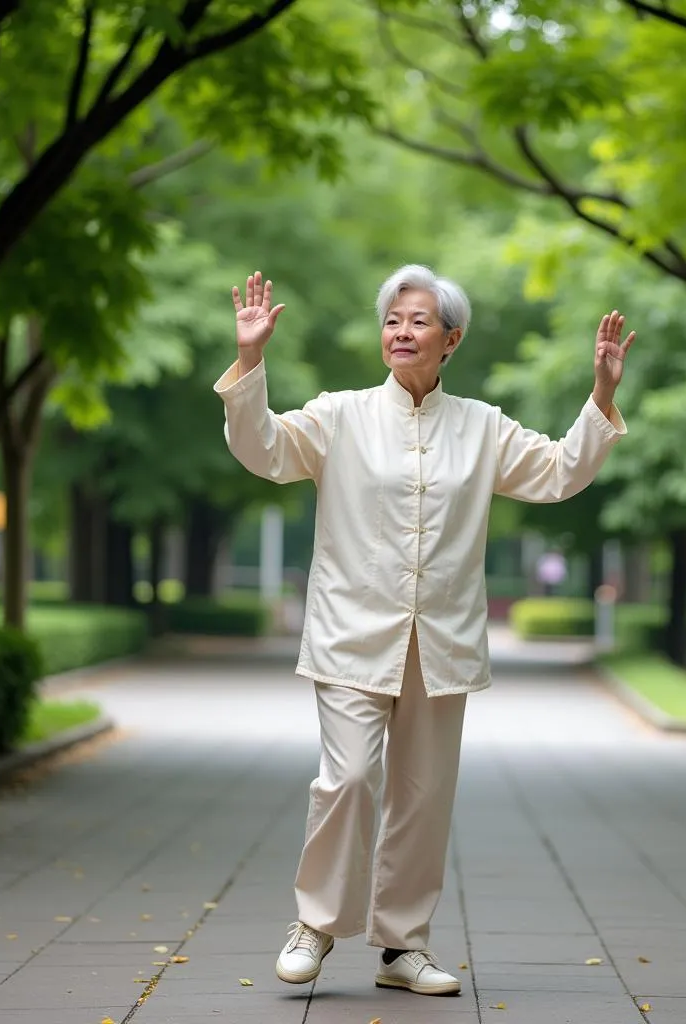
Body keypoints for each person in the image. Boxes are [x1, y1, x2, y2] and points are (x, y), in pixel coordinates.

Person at [213, 265, 633, 997]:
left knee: (423, 793)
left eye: (418, 321)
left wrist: (600, 396)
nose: (401, 332)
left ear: (452, 338)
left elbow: (561, 472)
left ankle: (403, 946)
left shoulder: (482, 427)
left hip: (441, 641)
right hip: (350, 632)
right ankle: (314, 923)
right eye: (392, 320)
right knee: (346, 779)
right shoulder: (339, 415)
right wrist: (250, 361)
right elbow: (264, 450)